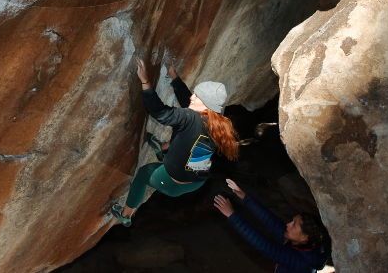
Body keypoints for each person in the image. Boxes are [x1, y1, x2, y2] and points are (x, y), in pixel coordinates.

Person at [109, 58, 239, 227]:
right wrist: (174, 78)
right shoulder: (219, 123)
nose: (192, 97)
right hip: (197, 181)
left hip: (174, 184)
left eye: (197, 96)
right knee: (188, 141)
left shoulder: (190, 118)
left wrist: (145, 81)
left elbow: (160, 112)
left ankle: (126, 215)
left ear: (206, 106)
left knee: (143, 174)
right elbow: (189, 103)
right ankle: (162, 148)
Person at [214, 179, 327, 273]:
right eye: (292, 221)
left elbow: (264, 246)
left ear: (304, 238)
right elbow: (271, 222)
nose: (288, 224)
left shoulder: (300, 262)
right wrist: (244, 197)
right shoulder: (307, 242)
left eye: (293, 225)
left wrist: (231, 215)